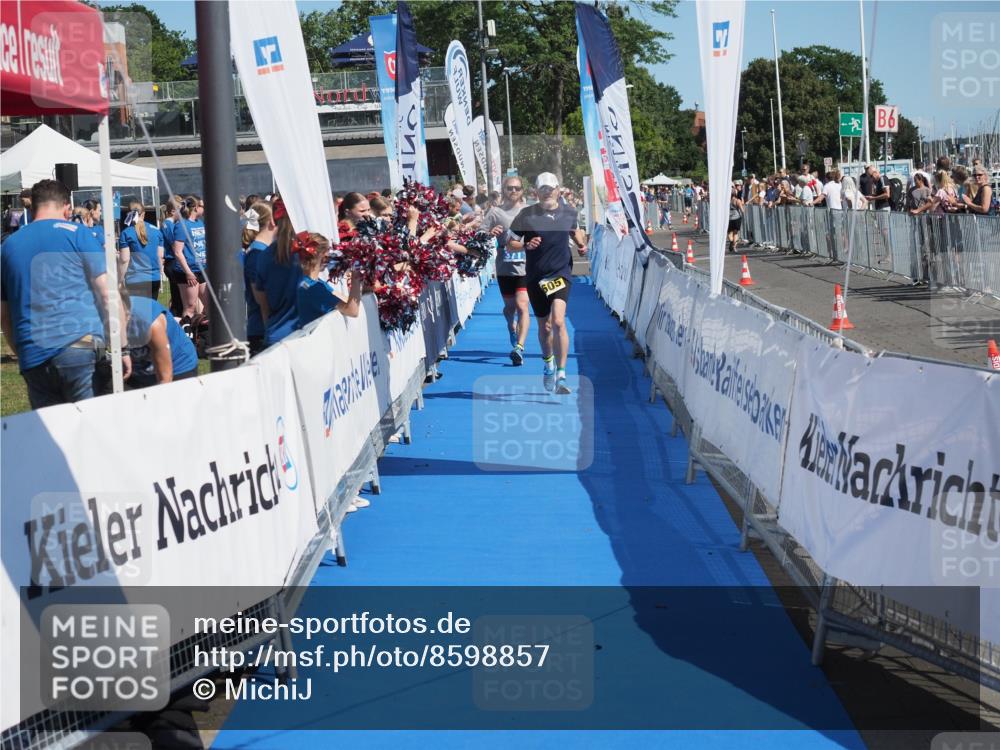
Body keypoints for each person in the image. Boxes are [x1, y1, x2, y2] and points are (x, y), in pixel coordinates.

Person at [0, 179, 131, 408]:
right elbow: (108, 294)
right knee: (90, 427)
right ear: (67, 208)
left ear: (31, 208)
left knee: (52, 435)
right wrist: (123, 347)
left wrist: (22, 354)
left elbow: (4, 316)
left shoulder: (8, 246)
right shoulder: (78, 233)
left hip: (33, 354)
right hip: (79, 345)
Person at [508, 172, 587, 395]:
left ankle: (562, 374)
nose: (546, 192)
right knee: (545, 326)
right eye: (542, 189)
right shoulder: (526, 215)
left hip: (560, 274)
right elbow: (510, 243)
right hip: (535, 277)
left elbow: (575, 231)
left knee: (559, 321)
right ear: (536, 191)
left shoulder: (569, 212)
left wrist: (581, 244)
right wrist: (525, 246)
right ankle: (549, 364)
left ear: (557, 190)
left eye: (550, 188)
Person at [484, 175, 530, 365]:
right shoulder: (494, 212)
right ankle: (511, 327)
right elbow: (479, 233)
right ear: (503, 190)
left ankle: (519, 348)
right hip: (505, 267)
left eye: (517, 188)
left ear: (522, 191)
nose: (513, 191)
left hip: (526, 266)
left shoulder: (529, 211)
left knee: (522, 306)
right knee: (510, 308)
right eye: (510, 188)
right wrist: (489, 233)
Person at [253, 198, 303, 346]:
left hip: (275, 336)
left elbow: (264, 305)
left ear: (274, 221)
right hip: (303, 335)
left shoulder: (264, 256)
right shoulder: (307, 251)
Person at [123, 291, 198, 387]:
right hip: (139, 367)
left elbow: (165, 378)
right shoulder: (103, 318)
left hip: (178, 366)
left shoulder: (150, 321)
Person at [293, 231, 362, 329]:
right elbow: (352, 311)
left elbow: (345, 300)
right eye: (327, 256)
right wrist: (356, 272)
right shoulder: (312, 288)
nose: (329, 260)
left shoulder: (313, 282)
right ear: (320, 256)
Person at [242, 201, 274, 355]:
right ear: (272, 221)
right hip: (262, 331)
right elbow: (262, 301)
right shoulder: (257, 254)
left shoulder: (263, 250)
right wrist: (270, 333)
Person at [170, 196, 207, 319]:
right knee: (190, 307)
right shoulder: (182, 225)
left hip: (201, 268)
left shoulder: (199, 222)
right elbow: (177, 252)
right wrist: (188, 273)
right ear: (196, 208)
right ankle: (187, 334)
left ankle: (204, 333)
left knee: (209, 304)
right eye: (202, 206)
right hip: (188, 271)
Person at [118, 201, 164, 300]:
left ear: (128, 214)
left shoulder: (126, 233)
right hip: (154, 278)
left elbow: (124, 259)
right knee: (152, 311)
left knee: (138, 312)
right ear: (143, 214)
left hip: (135, 279)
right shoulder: (156, 231)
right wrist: (160, 273)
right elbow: (160, 256)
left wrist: (120, 279)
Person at [727, 185, 744, 253]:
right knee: (735, 233)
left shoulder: (726, 201)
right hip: (737, 218)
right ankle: (734, 246)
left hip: (729, 218)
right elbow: (742, 210)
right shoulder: (737, 200)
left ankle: (731, 241)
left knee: (729, 233)